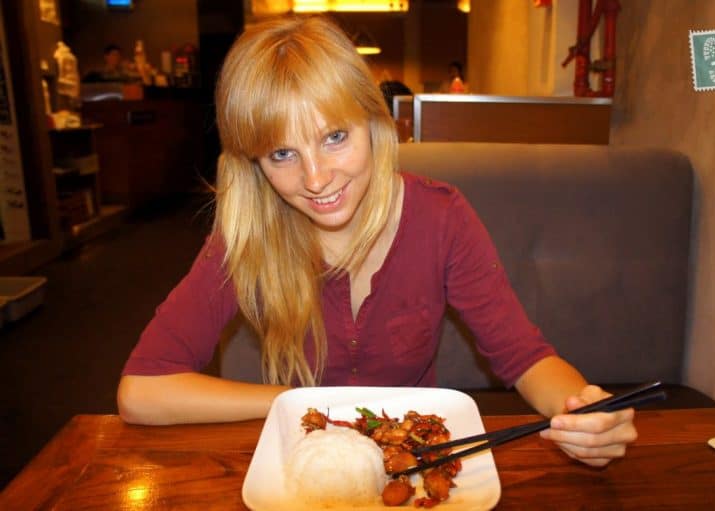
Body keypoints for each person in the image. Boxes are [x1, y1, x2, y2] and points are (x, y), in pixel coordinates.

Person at [117, 15, 636, 468]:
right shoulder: (249, 231)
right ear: (253, 163)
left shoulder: (441, 216)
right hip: (303, 458)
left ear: (374, 122)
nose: (316, 178)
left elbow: (525, 358)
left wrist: (583, 414)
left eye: (334, 137)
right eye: (281, 154)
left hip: (418, 457)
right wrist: (300, 402)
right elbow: (142, 392)